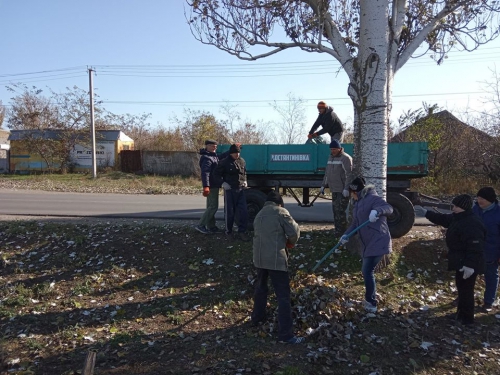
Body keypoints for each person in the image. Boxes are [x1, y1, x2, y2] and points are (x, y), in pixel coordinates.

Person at [415, 194, 486, 325]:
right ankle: (460, 314)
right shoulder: (458, 217)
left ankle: (467, 319)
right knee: (462, 288)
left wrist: (470, 265)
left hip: (468, 262)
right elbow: (442, 218)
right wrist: (426, 213)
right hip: (460, 260)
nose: (453, 208)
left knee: (466, 290)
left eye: (456, 206)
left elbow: (475, 246)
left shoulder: (472, 223)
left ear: (463, 207)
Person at [251, 190, 303, 344]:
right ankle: (286, 335)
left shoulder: (259, 214)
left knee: (260, 290)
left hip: (259, 259)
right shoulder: (281, 212)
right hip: (276, 260)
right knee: (283, 296)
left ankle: (257, 318)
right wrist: (290, 243)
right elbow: (294, 231)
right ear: (280, 203)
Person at [339, 177, 393, 313]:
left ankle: (371, 303)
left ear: (356, 191)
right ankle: (370, 299)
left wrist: (377, 212)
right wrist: (346, 235)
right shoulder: (358, 203)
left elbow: (388, 208)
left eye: (352, 192)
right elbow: (355, 224)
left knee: (367, 271)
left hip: (379, 240)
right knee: (367, 271)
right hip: (369, 243)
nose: (351, 195)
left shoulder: (373, 198)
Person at [214, 143, 250, 242]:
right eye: (235, 153)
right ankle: (228, 232)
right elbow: (216, 174)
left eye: (238, 153)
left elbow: (244, 172)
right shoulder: (224, 162)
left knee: (244, 212)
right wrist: (223, 183)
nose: (237, 155)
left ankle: (242, 231)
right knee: (230, 213)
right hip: (230, 190)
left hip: (240, 189)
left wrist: (245, 181)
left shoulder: (242, 161)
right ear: (231, 153)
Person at [473, 187, 500, 311]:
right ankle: (463, 297)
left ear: (490, 199)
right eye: (478, 198)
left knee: (490, 276)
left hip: (491, 250)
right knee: (467, 275)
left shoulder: (498, 213)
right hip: (473, 249)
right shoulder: (474, 209)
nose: (479, 200)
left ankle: (488, 302)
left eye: (482, 198)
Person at [195, 139, 231, 234]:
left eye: (215, 146)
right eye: (212, 145)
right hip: (211, 185)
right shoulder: (207, 158)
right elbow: (205, 173)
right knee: (213, 207)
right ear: (207, 146)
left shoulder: (212, 156)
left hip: (213, 184)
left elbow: (221, 156)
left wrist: (231, 150)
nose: (214, 147)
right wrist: (206, 186)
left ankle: (211, 226)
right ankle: (201, 225)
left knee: (210, 206)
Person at [320, 139, 353, 237]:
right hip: (334, 189)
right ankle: (338, 231)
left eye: (334, 149)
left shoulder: (345, 158)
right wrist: (323, 185)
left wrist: (346, 188)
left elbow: (349, 174)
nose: (332, 151)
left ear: (339, 148)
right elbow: (327, 173)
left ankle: (342, 232)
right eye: (331, 149)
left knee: (340, 212)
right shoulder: (331, 158)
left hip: (342, 190)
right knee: (335, 211)